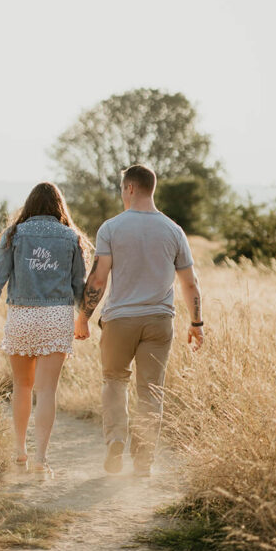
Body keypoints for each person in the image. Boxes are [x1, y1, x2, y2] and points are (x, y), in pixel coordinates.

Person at [74, 164, 204, 476]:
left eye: (122, 189)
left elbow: (97, 280)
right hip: (159, 321)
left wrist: (83, 317)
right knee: (151, 390)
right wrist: (196, 324)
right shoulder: (173, 230)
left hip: (120, 320)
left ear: (130, 188)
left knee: (115, 381)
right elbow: (190, 283)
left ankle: (116, 440)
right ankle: (144, 460)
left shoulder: (111, 228)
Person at [0, 182, 88, 472]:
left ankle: (20, 451)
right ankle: (41, 460)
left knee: (22, 386)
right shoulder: (71, 237)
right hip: (56, 318)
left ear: (30, 205)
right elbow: (79, 285)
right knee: (47, 391)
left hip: (22, 316)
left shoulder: (14, 234)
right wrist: (83, 317)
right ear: (60, 206)